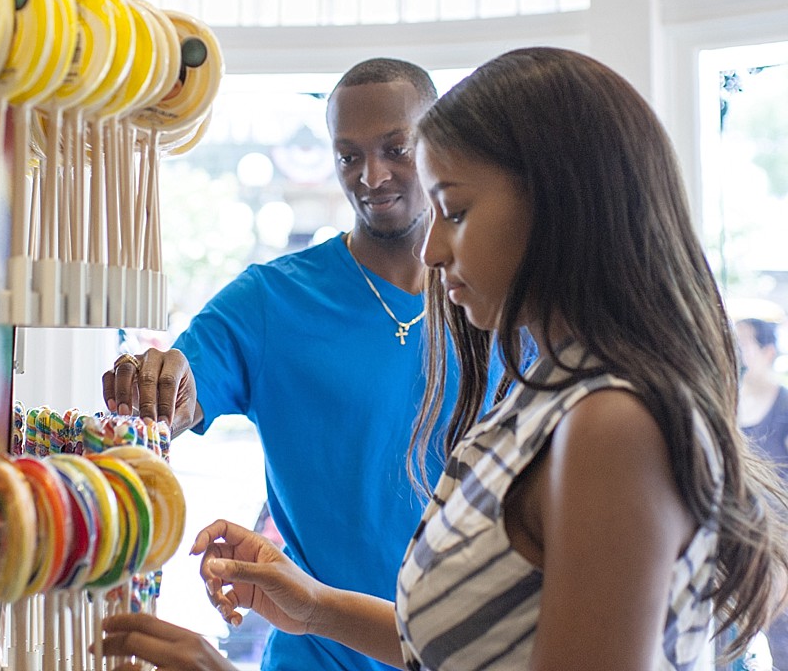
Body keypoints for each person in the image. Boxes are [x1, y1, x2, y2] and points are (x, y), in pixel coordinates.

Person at [99, 47, 788, 671]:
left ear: (555, 206)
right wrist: (314, 607)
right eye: (348, 156)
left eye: (453, 209)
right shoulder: (547, 397)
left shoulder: (609, 426)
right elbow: (475, 647)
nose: (432, 249)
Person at [103, 58, 508, 671]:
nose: (371, 175)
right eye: (348, 156)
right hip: (315, 654)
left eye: (395, 149)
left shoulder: (497, 302)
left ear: (439, 145)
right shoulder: (273, 301)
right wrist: (158, 387)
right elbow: (181, 389)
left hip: (468, 652)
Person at [736, 317, 788, 668]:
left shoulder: (784, 406)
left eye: (744, 344)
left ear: (767, 351)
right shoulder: (728, 403)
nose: (736, 352)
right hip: (747, 542)